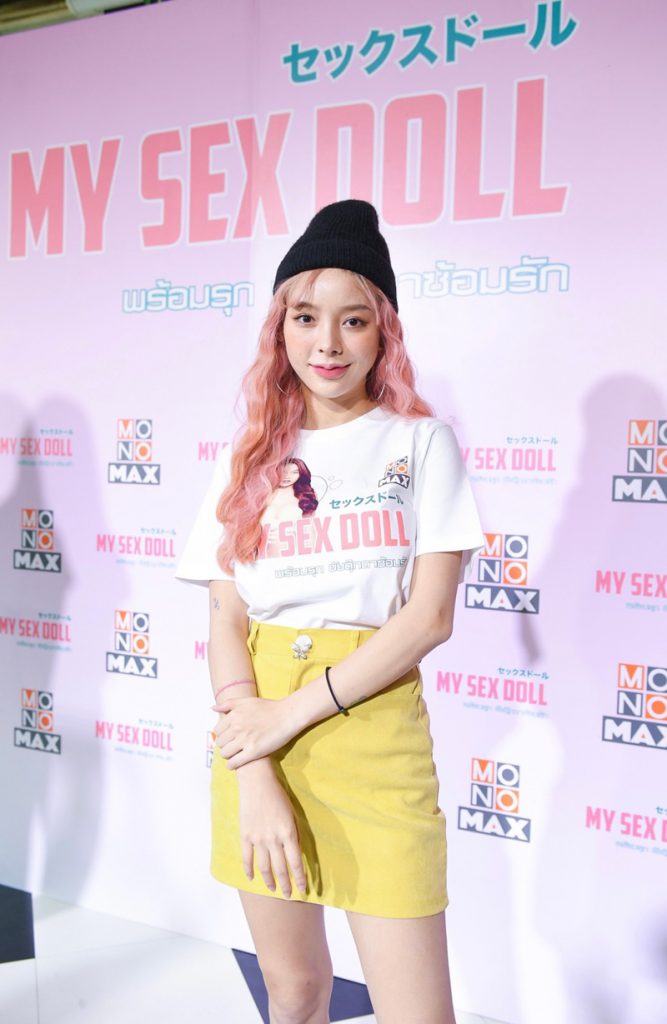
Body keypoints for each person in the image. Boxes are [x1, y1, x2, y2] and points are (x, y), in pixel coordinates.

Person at [175, 199, 485, 1024]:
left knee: (418, 1014)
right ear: (279, 329)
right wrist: (253, 762)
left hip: (372, 731)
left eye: (354, 320)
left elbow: (428, 619)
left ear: (383, 332)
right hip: (256, 736)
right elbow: (224, 620)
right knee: (294, 991)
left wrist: (290, 714)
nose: (328, 343)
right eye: (306, 317)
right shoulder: (246, 458)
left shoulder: (420, 443)